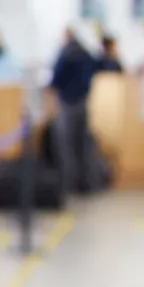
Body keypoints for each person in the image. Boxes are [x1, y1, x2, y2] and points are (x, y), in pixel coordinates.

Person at [48, 28, 98, 194]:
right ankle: (87, 183)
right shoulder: (87, 54)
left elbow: (55, 79)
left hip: (67, 104)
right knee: (83, 145)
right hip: (83, 103)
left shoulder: (65, 54)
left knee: (66, 146)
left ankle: (69, 184)